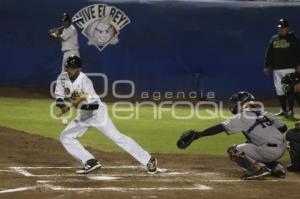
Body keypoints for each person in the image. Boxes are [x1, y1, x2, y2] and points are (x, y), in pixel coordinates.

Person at [54, 55, 157, 174]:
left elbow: (94, 105)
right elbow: (59, 98)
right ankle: (90, 161)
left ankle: (149, 159)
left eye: (72, 68)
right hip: (83, 115)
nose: (69, 70)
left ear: (79, 69)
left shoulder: (84, 80)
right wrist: (62, 106)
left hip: (97, 114)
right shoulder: (62, 78)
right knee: (65, 136)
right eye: (68, 67)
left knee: (116, 137)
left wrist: (78, 105)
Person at [177, 91, 287, 180]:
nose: (233, 105)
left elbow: (220, 127)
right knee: (250, 143)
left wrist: (199, 134)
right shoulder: (264, 113)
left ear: (242, 104)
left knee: (233, 151)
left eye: (235, 103)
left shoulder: (241, 117)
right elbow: (283, 128)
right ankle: (276, 167)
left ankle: (258, 169)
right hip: (282, 148)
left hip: (268, 151)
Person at [264, 18, 300, 118]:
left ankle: (291, 111)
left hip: (290, 68)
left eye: (283, 27)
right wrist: (267, 65)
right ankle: (284, 110)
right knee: (279, 89)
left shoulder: (293, 38)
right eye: (280, 27)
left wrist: (299, 65)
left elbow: (299, 52)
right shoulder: (273, 38)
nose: (281, 29)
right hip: (277, 69)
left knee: (290, 90)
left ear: (287, 28)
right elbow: (269, 53)